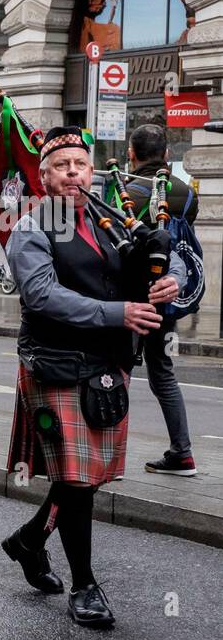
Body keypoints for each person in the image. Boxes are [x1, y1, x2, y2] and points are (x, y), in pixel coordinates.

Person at [1, 126, 177, 628]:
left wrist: (161, 283)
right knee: (76, 479)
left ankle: (29, 542)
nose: (74, 173)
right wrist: (117, 313)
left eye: (80, 164)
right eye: (62, 166)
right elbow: (42, 296)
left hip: (105, 366)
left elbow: (133, 277)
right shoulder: (31, 228)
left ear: (90, 171)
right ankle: (85, 585)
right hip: (54, 364)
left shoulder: (109, 220)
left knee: (84, 479)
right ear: (45, 175)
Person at [120, 123, 197, 476]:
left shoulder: (126, 192)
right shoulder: (186, 193)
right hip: (169, 299)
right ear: (167, 154)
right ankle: (183, 452)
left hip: (133, 299)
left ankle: (108, 449)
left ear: (132, 155)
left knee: (116, 370)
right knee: (163, 372)